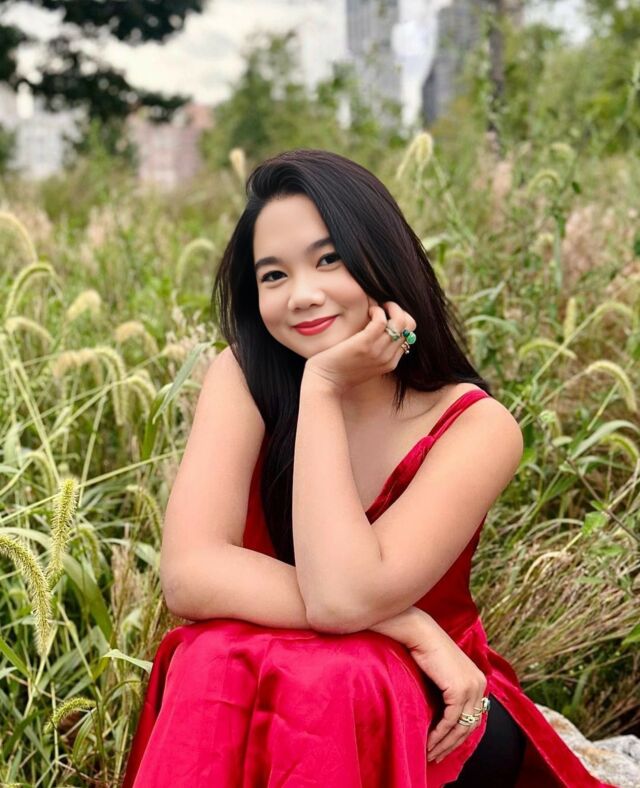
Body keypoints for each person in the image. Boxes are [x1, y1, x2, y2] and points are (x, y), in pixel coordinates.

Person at [122, 149, 613, 787]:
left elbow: (343, 597)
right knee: (209, 654)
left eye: (329, 260)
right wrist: (408, 622)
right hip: (314, 666)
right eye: (273, 275)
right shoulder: (243, 376)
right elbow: (189, 574)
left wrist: (324, 386)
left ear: (382, 258)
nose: (303, 295)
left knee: (338, 673)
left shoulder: (475, 426)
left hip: (432, 702)